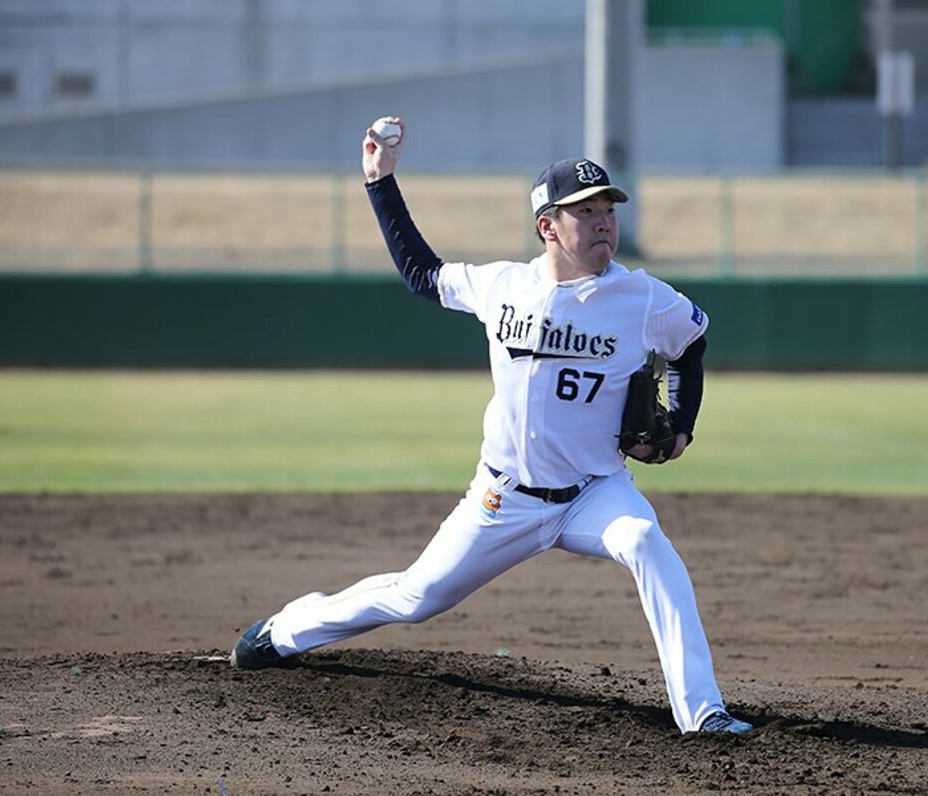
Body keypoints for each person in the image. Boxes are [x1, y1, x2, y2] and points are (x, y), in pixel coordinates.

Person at [230, 116, 753, 735]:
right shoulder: (502, 286)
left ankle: (702, 713)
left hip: (594, 492)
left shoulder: (641, 297)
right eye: (585, 211)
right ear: (548, 227)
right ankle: (283, 631)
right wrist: (380, 183)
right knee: (416, 597)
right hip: (503, 497)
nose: (604, 220)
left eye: (608, 207)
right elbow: (421, 273)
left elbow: (692, 341)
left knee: (646, 544)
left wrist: (681, 425)